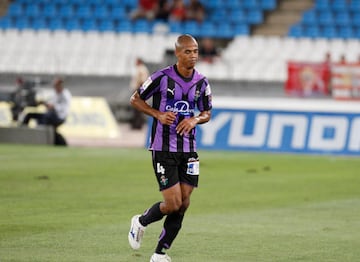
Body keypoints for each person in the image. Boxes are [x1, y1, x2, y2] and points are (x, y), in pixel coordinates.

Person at [128, 34, 212, 262]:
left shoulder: (202, 82)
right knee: (173, 203)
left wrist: (195, 120)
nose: (193, 55)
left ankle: (159, 254)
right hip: (163, 148)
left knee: (183, 204)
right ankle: (141, 221)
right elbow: (135, 99)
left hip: (189, 150)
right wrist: (158, 114)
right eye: (188, 51)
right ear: (177, 53)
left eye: (195, 51)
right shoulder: (161, 77)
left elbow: (206, 112)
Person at [22, 78, 72, 145]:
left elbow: (63, 107)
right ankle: (23, 133)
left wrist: (52, 106)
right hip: (50, 116)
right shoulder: (55, 94)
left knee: (45, 120)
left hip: (58, 117)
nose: (55, 87)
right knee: (30, 115)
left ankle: (41, 136)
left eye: (56, 85)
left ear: (60, 85)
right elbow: (49, 103)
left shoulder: (65, 94)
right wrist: (43, 103)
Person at [129, 57, 150, 129]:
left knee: (138, 108)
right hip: (137, 90)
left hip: (138, 90)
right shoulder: (140, 69)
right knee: (136, 108)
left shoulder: (142, 69)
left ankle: (138, 125)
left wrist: (139, 91)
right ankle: (136, 124)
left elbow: (143, 80)